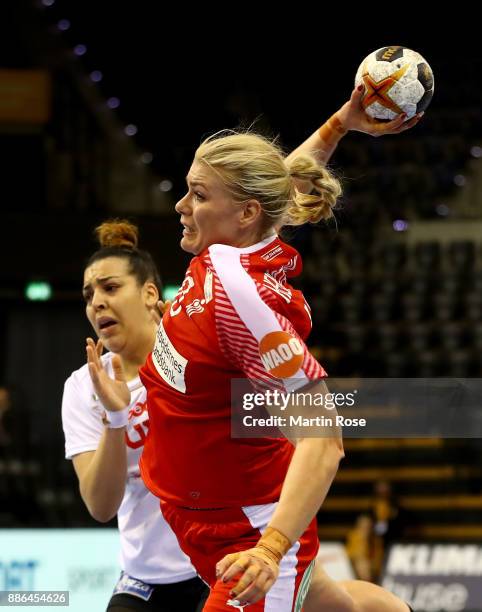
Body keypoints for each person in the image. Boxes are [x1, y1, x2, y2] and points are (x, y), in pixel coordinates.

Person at [87, 86, 419, 611]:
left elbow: (324, 437)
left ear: (242, 213)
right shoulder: (232, 242)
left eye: (197, 195)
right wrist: (343, 122)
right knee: (349, 609)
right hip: (199, 521)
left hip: (246, 537)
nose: (180, 205)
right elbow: (279, 181)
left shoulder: (242, 295)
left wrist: (270, 551)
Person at [61, 221, 209, 612]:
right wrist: (116, 416)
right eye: (89, 294)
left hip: (219, 561)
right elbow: (100, 506)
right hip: (144, 578)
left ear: (149, 294)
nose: (96, 302)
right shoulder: (82, 388)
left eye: (110, 288)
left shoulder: (197, 354)